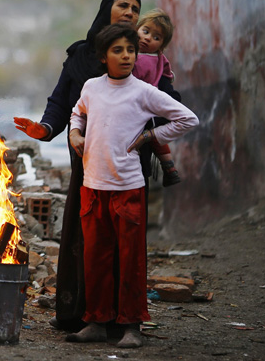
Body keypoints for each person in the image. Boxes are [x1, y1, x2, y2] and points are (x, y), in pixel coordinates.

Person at [13, 0, 180, 332]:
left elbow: (170, 108)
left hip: (130, 167)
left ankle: (126, 321)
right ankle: (81, 314)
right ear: (108, 9)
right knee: (84, 238)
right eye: (124, 5)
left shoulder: (144, 66)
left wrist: (151, 129)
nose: (131, 13)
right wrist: (45, 129)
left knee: (127, 242)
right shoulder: (80, 57)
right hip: (86, 164)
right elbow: (62, 103)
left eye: (136, 8)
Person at [65, 24, 198, 348]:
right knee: (95, 258)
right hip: (93, 187)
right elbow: (76, 113)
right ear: (102, 57)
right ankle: (96, 321)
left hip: (128, 187)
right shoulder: (92, 88)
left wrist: (152, 136)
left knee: (130, 261)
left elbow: (187, 119)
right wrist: (75, 133)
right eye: (118, 51)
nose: (126, 56)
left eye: (130, 51)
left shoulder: (144, 92)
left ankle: (132, 326)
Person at [133, 8, 180, 186]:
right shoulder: (128, 50)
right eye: (145, 31)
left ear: (161, 45)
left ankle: (168, 167)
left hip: (147, 104)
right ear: (137, 29)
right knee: (154, 136)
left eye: (156, 37)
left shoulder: (156, 57)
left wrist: (167, 85)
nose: (147, 38)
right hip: (136, 105)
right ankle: (169, 167)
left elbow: (167, 74)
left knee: (153, 135)